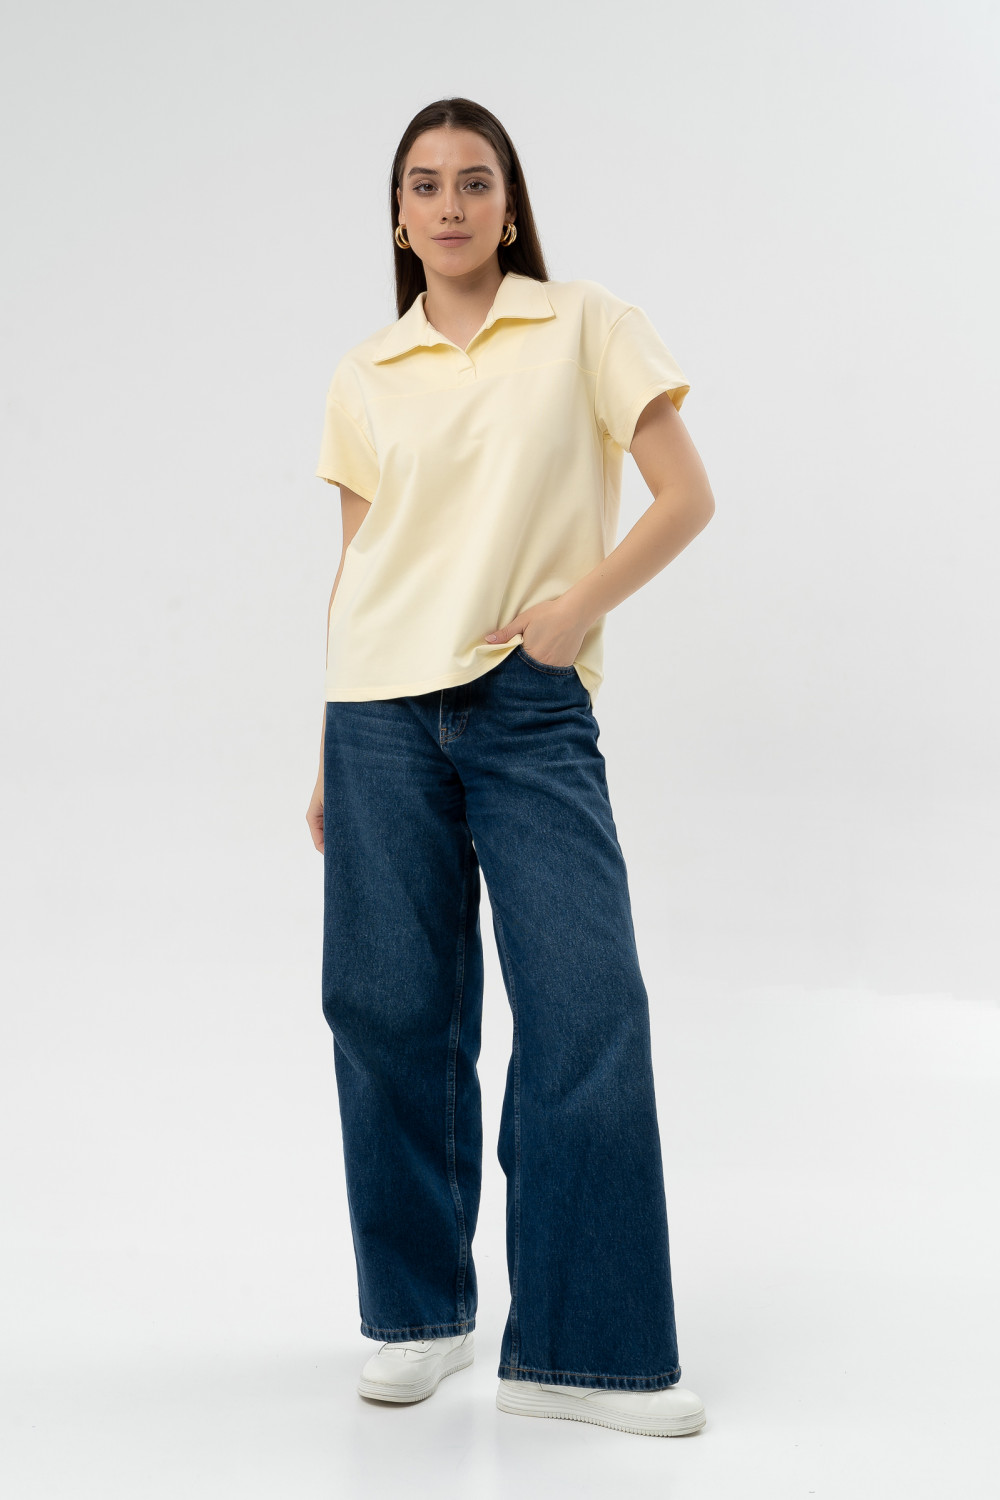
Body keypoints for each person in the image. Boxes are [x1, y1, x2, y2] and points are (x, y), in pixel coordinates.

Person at [305, 97, 716, 1441]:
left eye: (475, 181)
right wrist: (327, 744)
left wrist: (573, 612)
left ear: (510, 204)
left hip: (529, 704)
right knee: (386, 1011)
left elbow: (686, 496)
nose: (451, 204)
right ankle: (417, 1315)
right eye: (425, 184)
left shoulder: (584, 323)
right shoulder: (367, 371)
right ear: (398, 215)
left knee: (587, 1003)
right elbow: (359, 563)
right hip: (377, 713)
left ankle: (585, 1353)